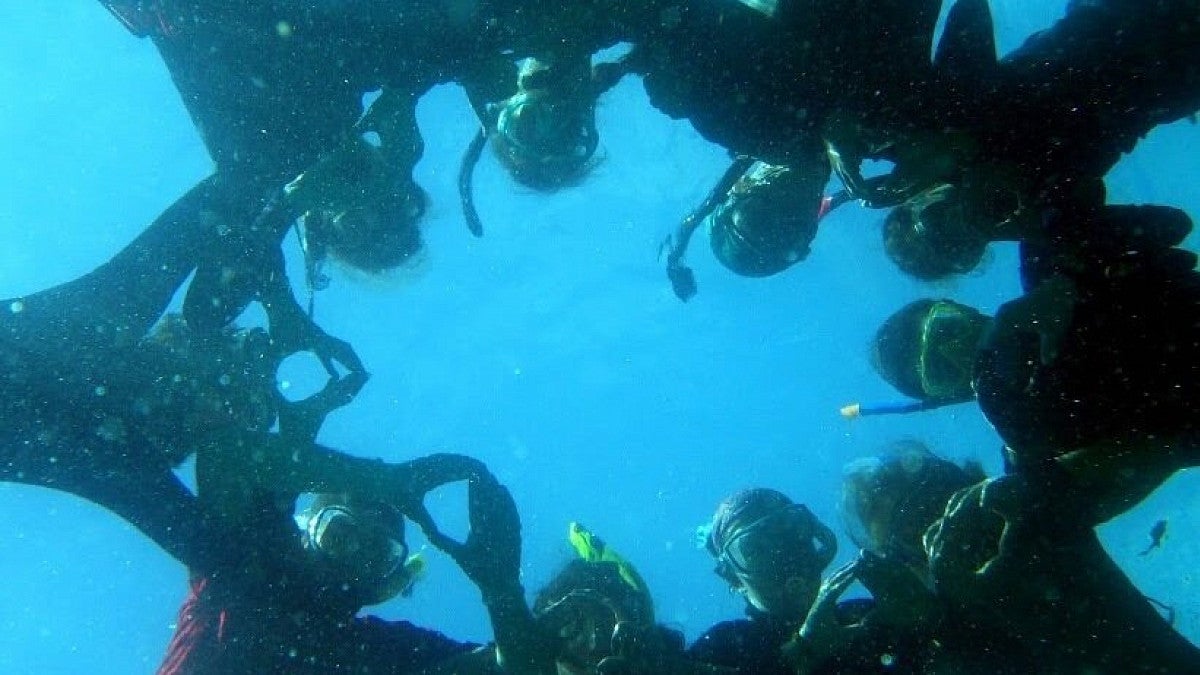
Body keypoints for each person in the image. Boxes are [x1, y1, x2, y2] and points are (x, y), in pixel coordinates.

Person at [687, 489, 837, 675]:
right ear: (731, 575)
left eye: (792, 533)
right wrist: (801, 652)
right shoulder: (721, 650)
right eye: (755, 550)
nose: (785, 557)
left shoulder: (866, 616)